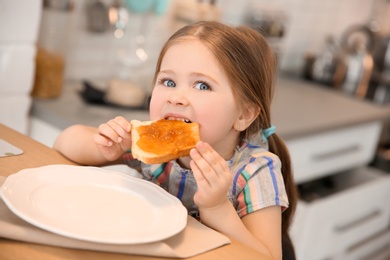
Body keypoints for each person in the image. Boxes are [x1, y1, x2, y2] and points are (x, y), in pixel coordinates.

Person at [54, 21, 297, 259]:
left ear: (243, 115)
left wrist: (217, 208)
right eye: (168, 82)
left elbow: (268, 256)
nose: (177, 98)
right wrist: (102, 148)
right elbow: (64, 142)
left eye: (202, 85)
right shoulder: (148, 148)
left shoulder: (255, 170)